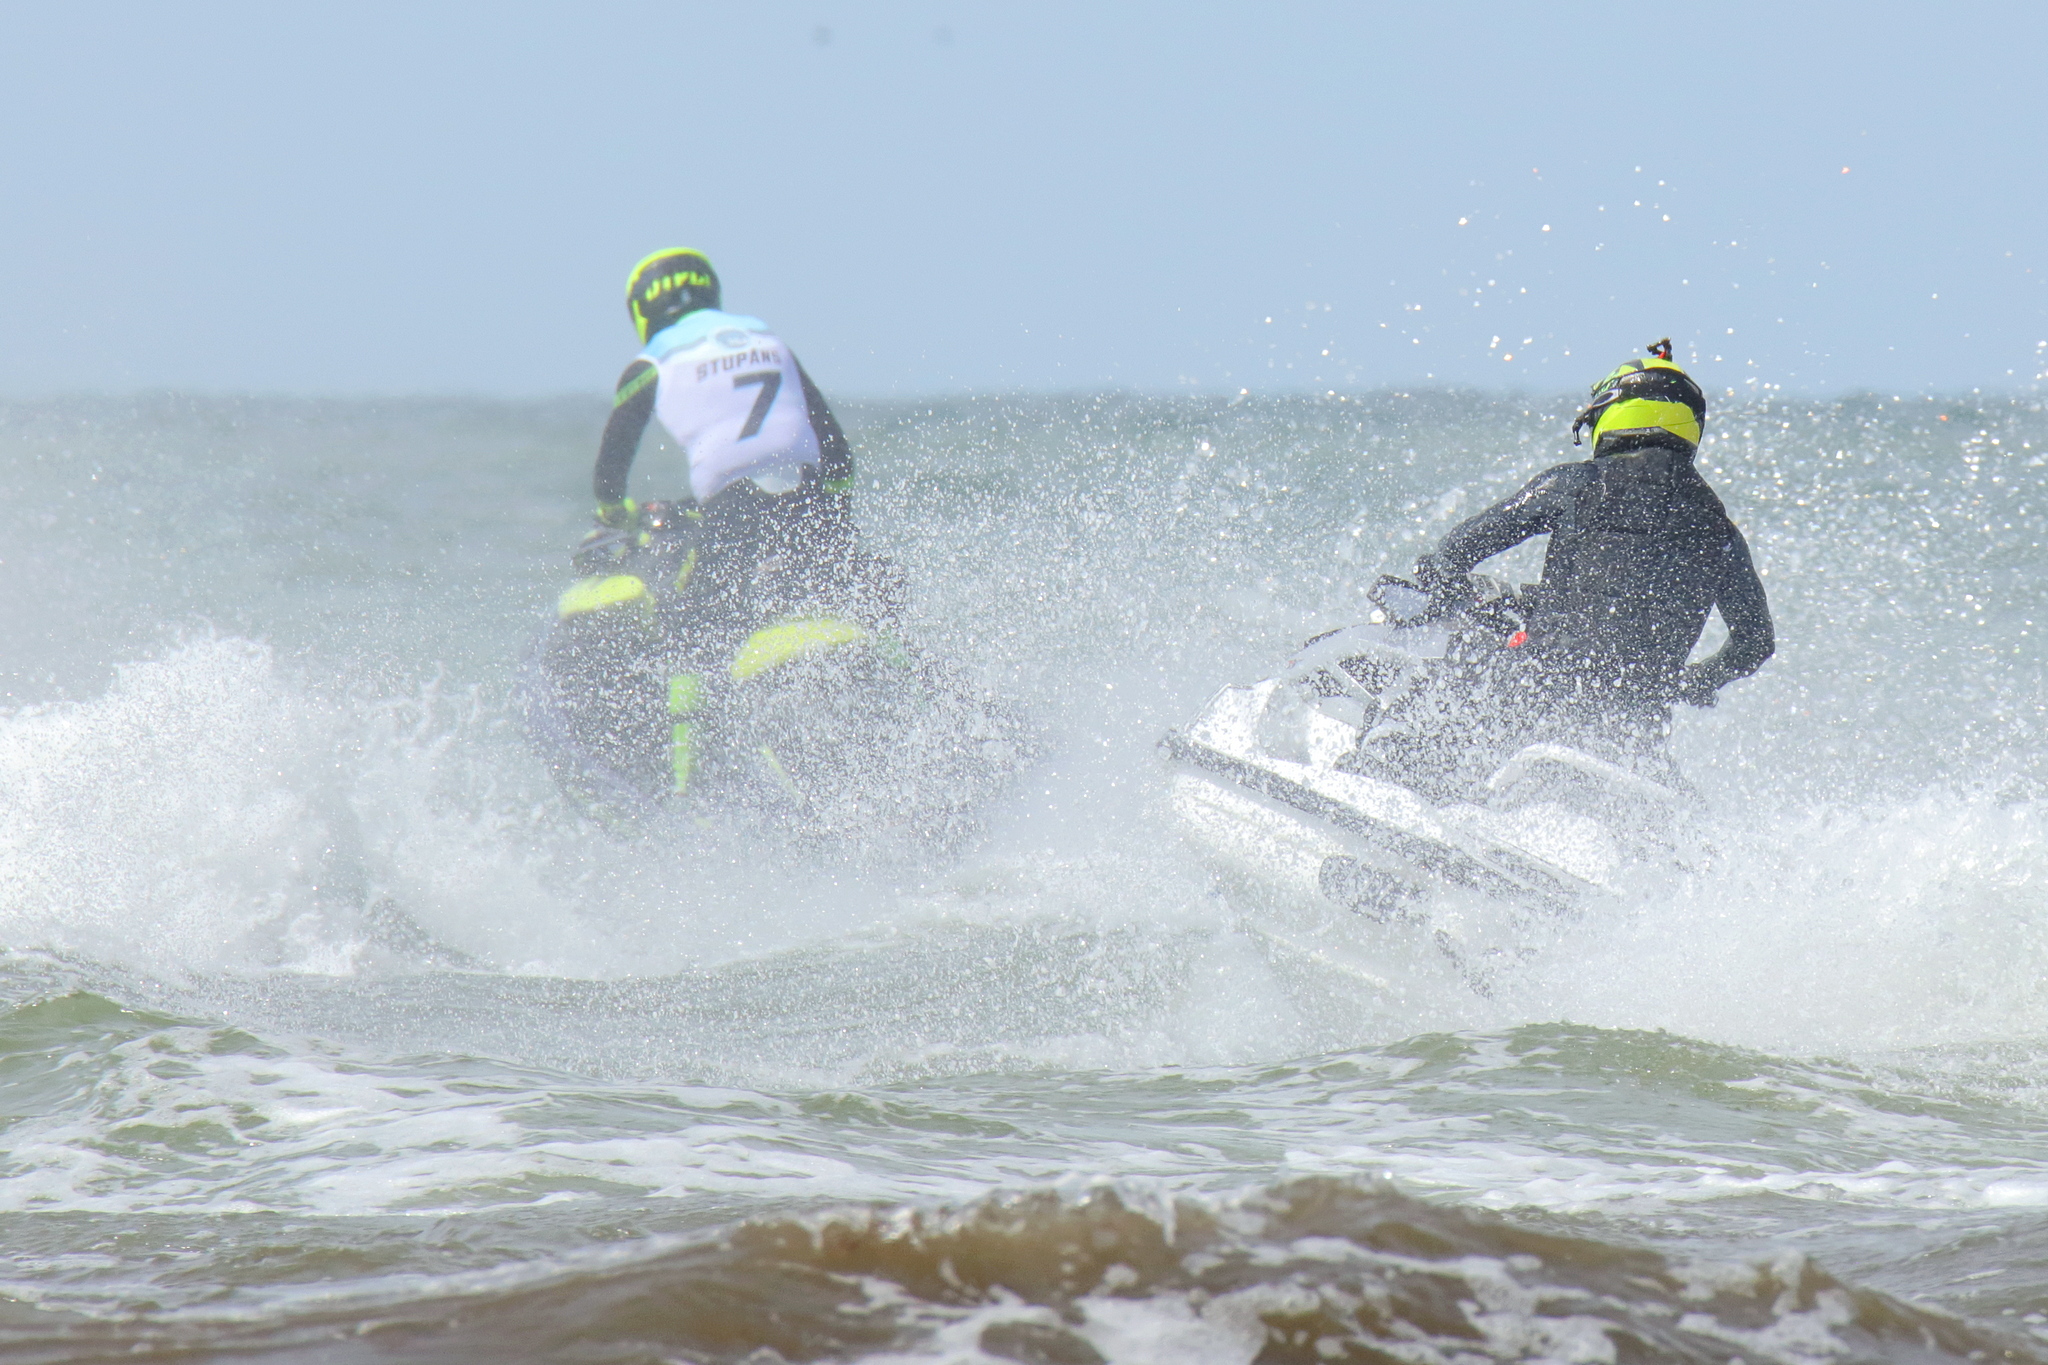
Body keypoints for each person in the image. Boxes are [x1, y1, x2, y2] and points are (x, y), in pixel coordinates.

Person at [548, 248, 889, 795]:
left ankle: (687, 786)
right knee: (855, 599)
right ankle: (931, 698)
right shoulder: (768, 340)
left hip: (735, 511)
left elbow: (611, 471)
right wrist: (835, 520)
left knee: (692, 629)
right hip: (809, 499)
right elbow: (837, 452)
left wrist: (615, 516)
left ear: (642, 311)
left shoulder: (652, 363)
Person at [1409, 339, 1774, 764]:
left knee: (1465, 640)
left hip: (1538, 694)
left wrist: (1438, 576)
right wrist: (1690, 683)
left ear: (1613, 410)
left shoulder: (1574, 485)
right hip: (1635, 731)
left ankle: (1404, 755)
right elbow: (1755, 642)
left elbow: (1461, 548)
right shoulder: (1719, 530)